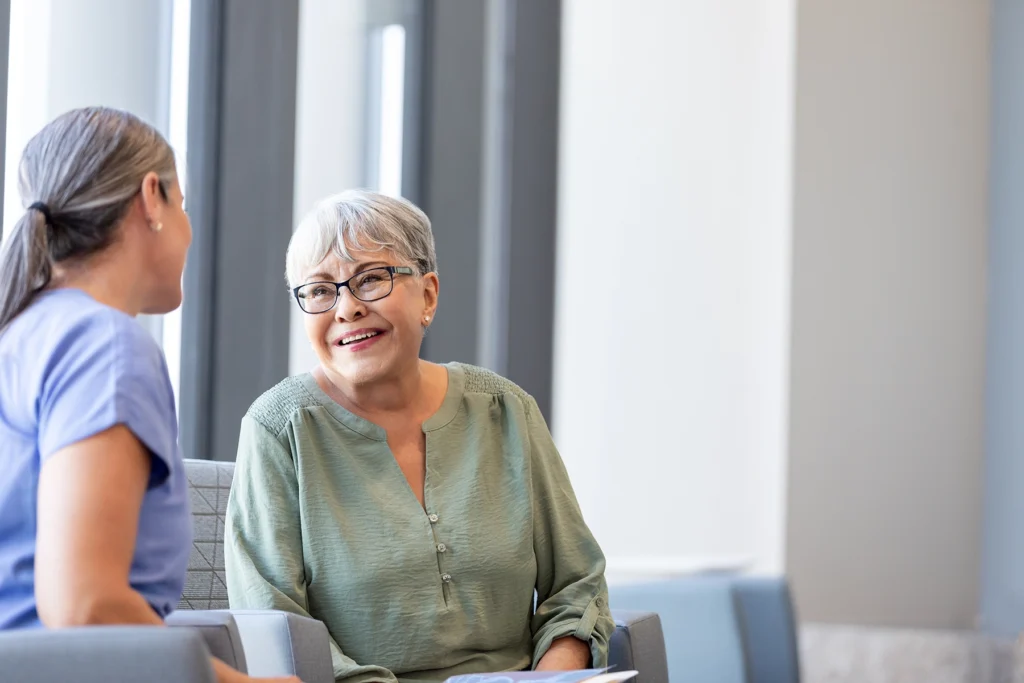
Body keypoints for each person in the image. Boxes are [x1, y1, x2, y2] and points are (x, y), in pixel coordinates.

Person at [225, 190, 615, 683]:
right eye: (320, 291)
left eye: (370, 279)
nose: (345, 309)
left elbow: (576, 585)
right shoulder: (278, 427)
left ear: (428, 293)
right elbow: (273, 627)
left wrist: (550, 680)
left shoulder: (505, 410)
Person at [0, 107, 298, 683]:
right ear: (150, 199)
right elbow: (82, 604)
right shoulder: (104, 346)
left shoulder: (23, 335)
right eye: (183, 204)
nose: (188, 229)